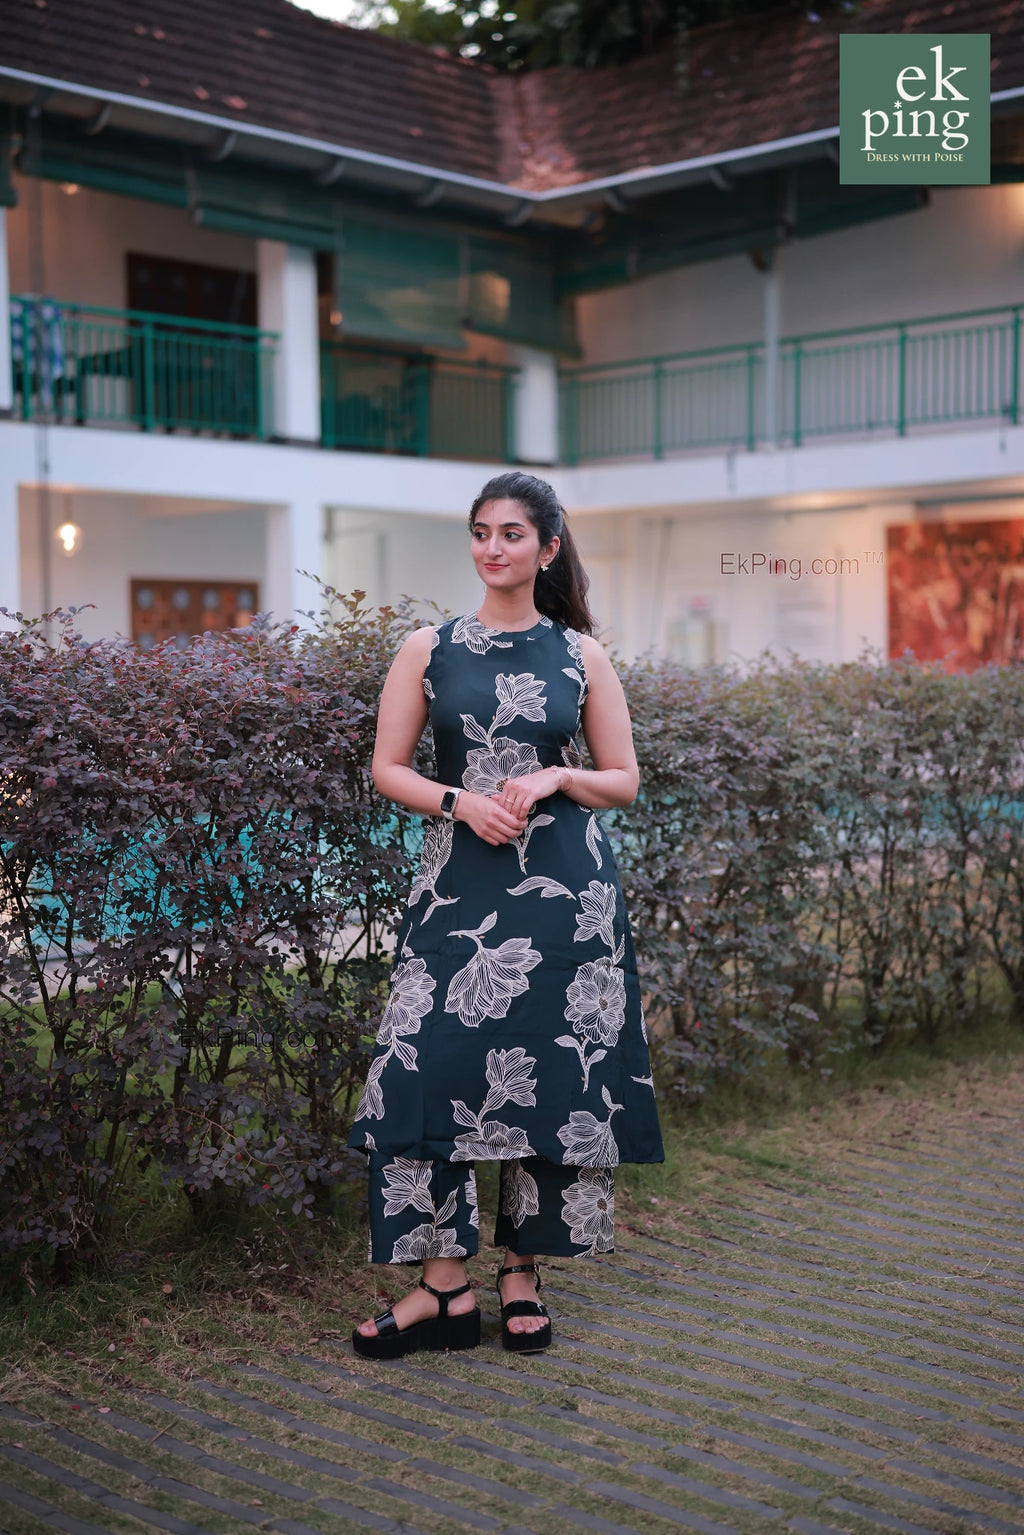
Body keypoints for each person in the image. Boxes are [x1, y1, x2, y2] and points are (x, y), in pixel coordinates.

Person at [348, 471, 664, 1358]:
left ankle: (521, 1273)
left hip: (567, 897)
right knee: (422, 1063)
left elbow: (624, 780)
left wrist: (557, 774)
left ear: (547, 547)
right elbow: (388, 767)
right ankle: (442, 1284)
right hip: (458, 886)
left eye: (512, 533)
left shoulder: (581, 656)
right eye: (481, 532)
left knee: (552, 1075)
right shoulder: (429, 647)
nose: (493, 547)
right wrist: (460, 802)